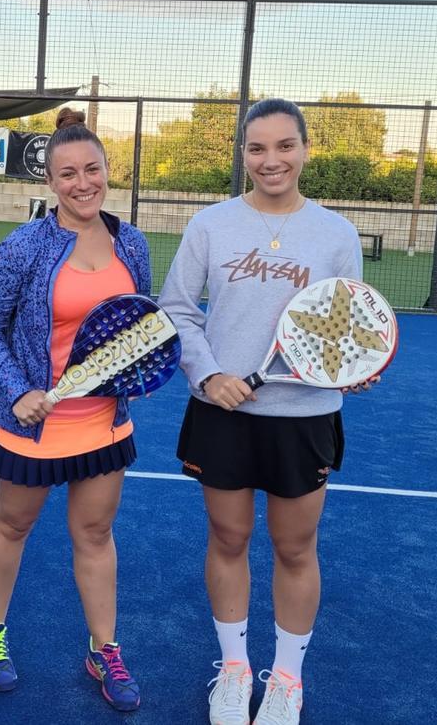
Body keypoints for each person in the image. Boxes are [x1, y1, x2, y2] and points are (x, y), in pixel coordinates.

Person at [159, 98, 375, 725]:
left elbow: (347, 322)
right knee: (228, 538)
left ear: (305, 151)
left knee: (295, 546)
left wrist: (348, 369)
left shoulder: (336, 233)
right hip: (223, 412)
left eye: (284, 146)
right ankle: (233, 669)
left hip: (304, 418)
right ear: (243, 155)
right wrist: (208, 373)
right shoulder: (211, 225)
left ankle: (286, 678)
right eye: (257, 148)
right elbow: (177, 308)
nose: (271, 159)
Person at [0, 111, 150, 712]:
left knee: (95, 534)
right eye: (68, 173)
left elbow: (139, 324)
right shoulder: (23, 246)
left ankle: (105, 649)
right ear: (51, 181)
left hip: (103, 423)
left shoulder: (132, 241)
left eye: (92, 170)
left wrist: (134, 369)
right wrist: (19, 388)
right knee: (11, 527)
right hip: (33, 422)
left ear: (107, 172)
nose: (83, 183)